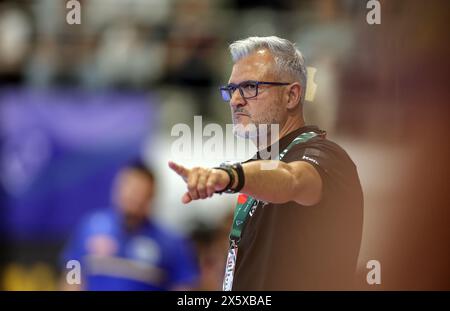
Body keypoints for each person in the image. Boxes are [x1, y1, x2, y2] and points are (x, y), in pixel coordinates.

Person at [169, 36, 363, 290]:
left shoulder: (325, 155)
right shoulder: (255, 170)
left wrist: (229, 176)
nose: (236, 100)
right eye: (231, 90)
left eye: (250, 87)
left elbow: (292, 178)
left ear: (291, 95)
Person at [61, 159, 199, 291]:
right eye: (127, 187)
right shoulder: (91, 227)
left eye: (138, 190)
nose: (131, 195)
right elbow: (73, 278)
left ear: (151, 195)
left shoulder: (171, 243)